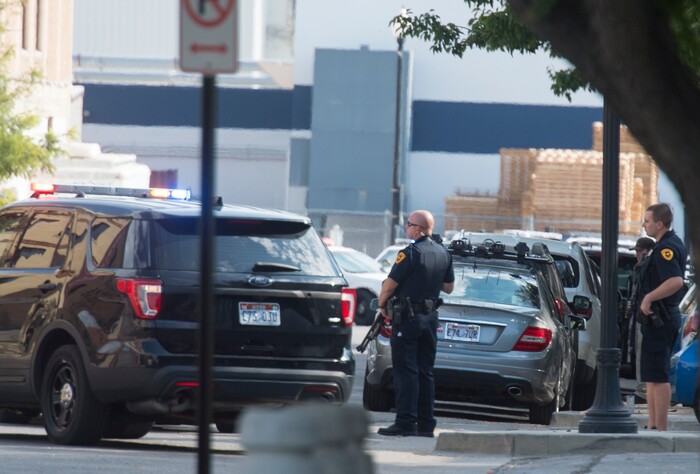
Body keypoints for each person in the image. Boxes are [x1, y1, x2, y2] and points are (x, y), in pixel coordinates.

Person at [376, 210, 454, 437]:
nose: (406, 227)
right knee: (425, 371)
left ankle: (406, 422)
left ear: (418, 228)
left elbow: (390, 285)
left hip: (408, 319)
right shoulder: (443, 253)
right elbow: (448, 287)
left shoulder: (410, 253)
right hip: (430, 318)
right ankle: (426, 424)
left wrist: (381, 305)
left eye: (409, 224)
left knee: (406, 371)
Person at [638, 203, 687, 431]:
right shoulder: (664, 245)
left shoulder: (666, 248)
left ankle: (660, 426)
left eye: (647, 221)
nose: (644, 224)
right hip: (656, 319)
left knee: (658, 373)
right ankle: (652, 424)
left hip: (662, 317)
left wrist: (649, 298)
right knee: (651, 373)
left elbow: (676, 281)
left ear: (659, 223)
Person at [622, 237, 655, 380]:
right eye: (636, 251)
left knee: (642, 354)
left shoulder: (649, 267)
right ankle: (640, 387)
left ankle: (642, 390)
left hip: (644, 316)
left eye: (640, 251)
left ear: (648, 252)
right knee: (636, 352)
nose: (637, 255)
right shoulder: (638, 268)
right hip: (637, 315)